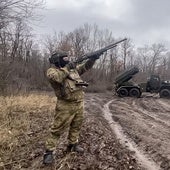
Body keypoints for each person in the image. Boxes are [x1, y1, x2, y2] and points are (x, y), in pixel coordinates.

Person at [43, 50, 101, 165]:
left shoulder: (73, 70)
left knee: (76, 126)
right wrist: (67, 67)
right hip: (65, 105)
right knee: (57, 129)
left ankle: (72, 144)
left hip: (79, 103)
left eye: (67, 58)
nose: (67, 60)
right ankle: (49, 152)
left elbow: (85, 67)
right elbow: (58, 78)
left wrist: (93, 59)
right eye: (64, 58)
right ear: (57, 60)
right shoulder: (52, 71)